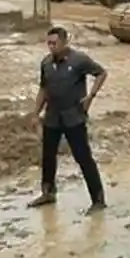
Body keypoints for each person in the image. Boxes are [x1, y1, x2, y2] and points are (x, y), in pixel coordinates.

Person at [30, 26, 108, 212]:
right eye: (48, 43)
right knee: (48, 156)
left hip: (74, 117)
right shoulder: (46, 63)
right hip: (52, 117)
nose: (51, 47)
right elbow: (44, 89)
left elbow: (101, 73)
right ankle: (48, 192)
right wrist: (35, 113)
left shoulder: (79, 60)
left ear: (65, 42)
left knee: (83, 158)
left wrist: (91, 96)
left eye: (54, 43)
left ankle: (98, 200)